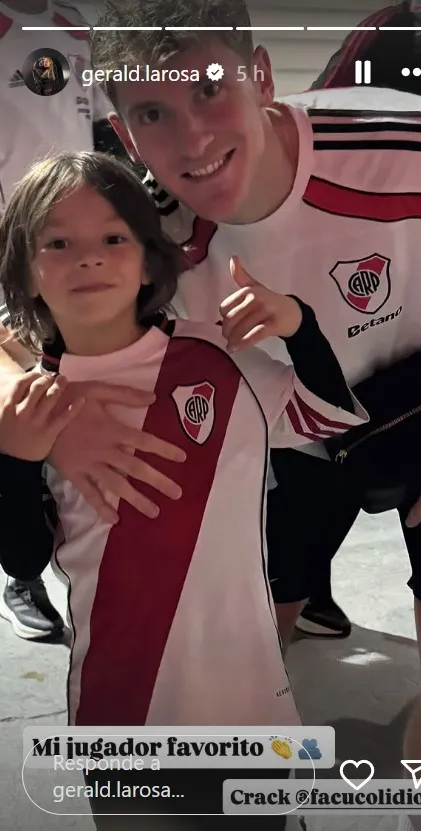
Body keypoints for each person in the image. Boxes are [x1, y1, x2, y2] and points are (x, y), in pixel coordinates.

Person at [0, 2, 421, 829]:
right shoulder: (142, 235)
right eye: (152, 112)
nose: (191, 138)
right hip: (280, 437)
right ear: (124, 130)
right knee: (246, 631)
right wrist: (43, 409)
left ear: (258, 76)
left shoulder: (414, 145)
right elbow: (19, 319)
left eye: (210, 89)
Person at [0, 150, 364, 829]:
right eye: (58, 241)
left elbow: (329, 416)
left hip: (246, 702)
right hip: (122, 705)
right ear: (23, 268)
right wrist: (15, 463)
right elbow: (22, 558)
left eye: (113, 237)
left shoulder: (217, 357)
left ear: (147, 258)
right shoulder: (28, 410)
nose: (89, 257)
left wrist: (299, 324)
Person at [302, 0, 421, 634]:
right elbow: (314, 131)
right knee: (356, 446)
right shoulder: (397, 28)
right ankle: (302, 583)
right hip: (394, 290)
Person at [0, 0, 125, 641]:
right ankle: (20, 573)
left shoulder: (73, 20)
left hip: (77, 239)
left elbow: (102, 125)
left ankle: (79, 543)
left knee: (76, 391)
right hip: (12, 249)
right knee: (21, 402)